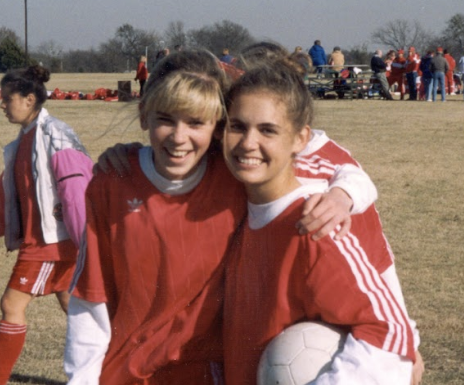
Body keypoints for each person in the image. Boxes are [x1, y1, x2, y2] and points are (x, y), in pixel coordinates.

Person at [64, 50, 379, 384]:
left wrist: (344, 195)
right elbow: (90, 298)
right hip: (126, 371)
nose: (179, 137)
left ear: (217, 125)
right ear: (145, 115)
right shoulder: (114, 181)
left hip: (209, 371)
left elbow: (337, 166)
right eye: (166, 119)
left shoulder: (236, 173)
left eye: (196, 121)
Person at [222, 60, 420, 385]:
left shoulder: (317, 226)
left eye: (268, 130)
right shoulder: (236, 204)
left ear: (301, 139)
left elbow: (391, 333)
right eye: (237, 126)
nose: (247, 142)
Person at [0, 65, 93, 384]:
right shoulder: (23, 139)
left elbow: (77, 191)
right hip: (48, 243)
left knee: (11, 304)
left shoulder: (56, 134)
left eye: (6, 98)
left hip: (51, 244)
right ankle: (107, 364)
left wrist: (85, 244)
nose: (1, 104)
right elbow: (10, 193)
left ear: (28, 99)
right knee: (76, 306)